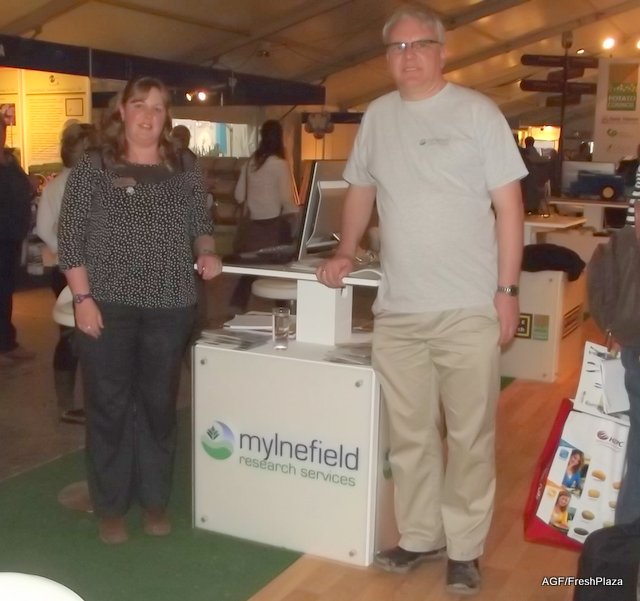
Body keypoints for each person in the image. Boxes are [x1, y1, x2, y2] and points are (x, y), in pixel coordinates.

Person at [316, 5, 526, 595]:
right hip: (399, 309)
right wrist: (346, 250)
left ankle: (465, 548)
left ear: (442, 51)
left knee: (470, 437)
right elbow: (361, 189)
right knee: (410, 437)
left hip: (467, 308)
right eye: (397, 47)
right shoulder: (377, 117)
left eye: (419, 45)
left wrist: (508, 291)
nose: (408, 57)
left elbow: (510, 209)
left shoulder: (478, 113)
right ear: (387, 57)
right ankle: (420, 535)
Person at [57, 75, 222, 545]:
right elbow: (70, 237)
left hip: (170, 305)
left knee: (158, 406)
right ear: (122, 111)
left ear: (166, 116)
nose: (148, 116)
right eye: (139, 105)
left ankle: (154, 501)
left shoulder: (183, 164)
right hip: (106, 304)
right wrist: (82, 299)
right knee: (108, 406)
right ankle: (111, 505)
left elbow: (200, 222)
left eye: (157, 107)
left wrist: (207, 251)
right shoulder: (95, 165)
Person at [36, 122, 96, 423]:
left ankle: (68, 403)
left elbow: (44, 230)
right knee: (80, 338)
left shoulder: (55, 186)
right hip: (82, 271)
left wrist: (61, 247)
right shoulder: (87, 184)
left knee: (71, 337)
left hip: (63, 270)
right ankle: (76, 404)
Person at [228, 119, 299, 314]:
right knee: (279, 273)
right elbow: (286, 199)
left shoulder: (250, 164)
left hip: (252, 228)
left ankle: (235, 309)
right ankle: (283, 313)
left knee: (249, 271)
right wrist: (297, 215)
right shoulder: (280, 165)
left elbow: (239, 195)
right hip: (275, 228)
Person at [0, 116, 37, 367]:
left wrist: (30, 185)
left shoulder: (10, 160)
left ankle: (7, 342)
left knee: (6, 291)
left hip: (11, 236)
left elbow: (23, 185)